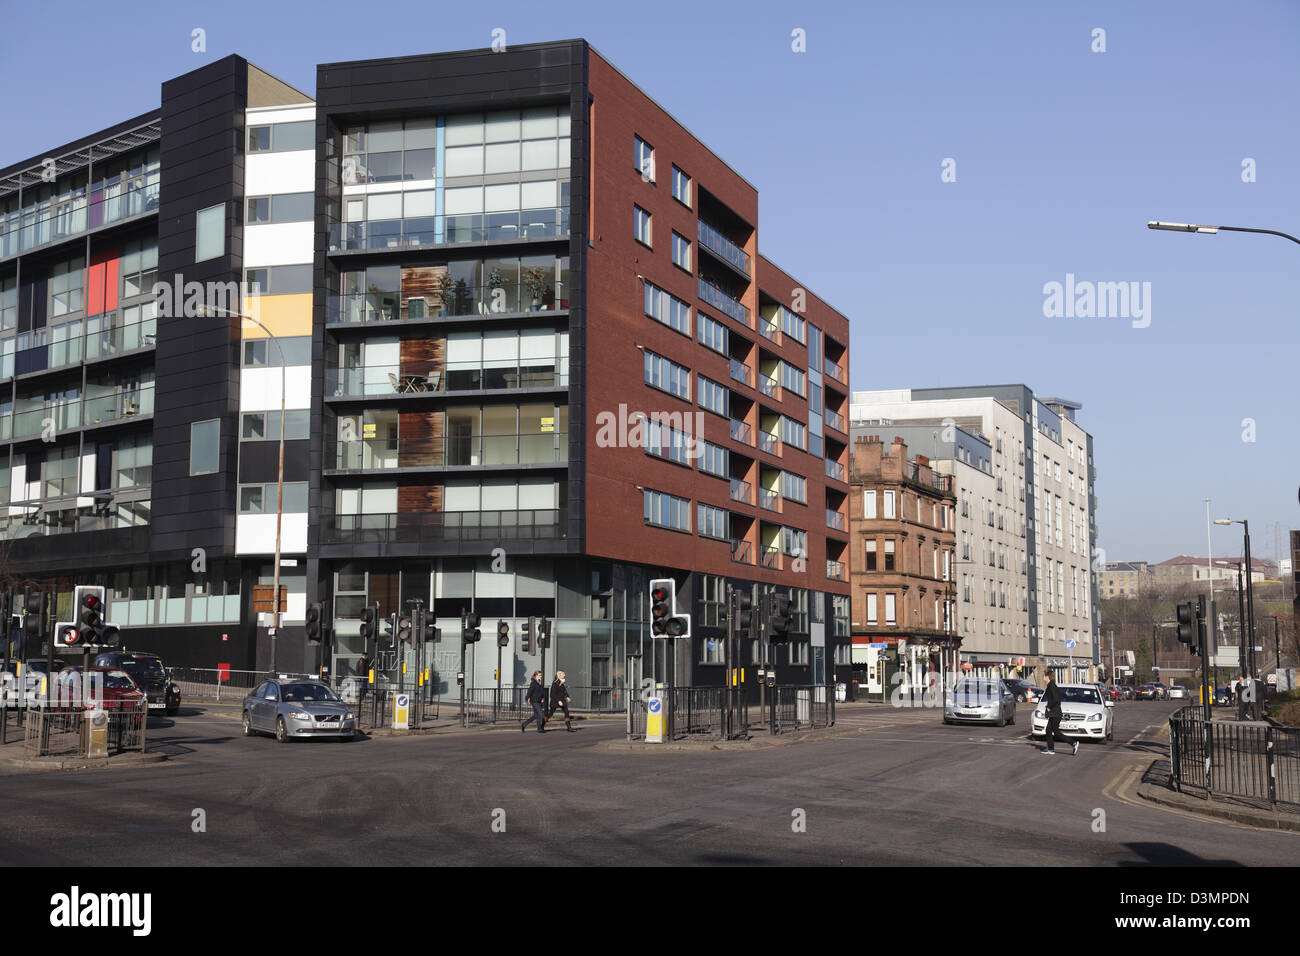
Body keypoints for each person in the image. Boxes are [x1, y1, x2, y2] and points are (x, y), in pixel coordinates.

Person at [1040, 669, 1078, 756]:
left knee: (1056, 733)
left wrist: (1049, 707)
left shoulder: (1051, 686)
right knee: (1048, 730)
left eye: (1044, 676)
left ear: (1047, 677)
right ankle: (1050, 749)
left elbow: (1056, 699)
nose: (1043, 677)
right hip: (1054, 713)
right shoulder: (1050, 685)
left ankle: (1073, 743)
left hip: (1055, 713)